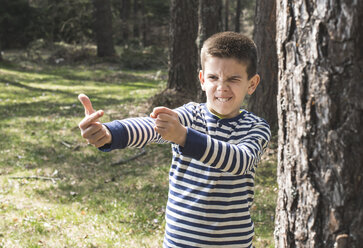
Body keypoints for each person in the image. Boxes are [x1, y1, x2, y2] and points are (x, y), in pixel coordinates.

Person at [78, 31, 271, 248]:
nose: (221, 87)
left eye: (233, 79)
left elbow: (240, 161)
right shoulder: (189, 115)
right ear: (202, 80)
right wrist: (109, 133)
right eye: (213, 77)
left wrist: (184, 137)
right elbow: (149, 127)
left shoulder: (256, 127)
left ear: (252, 84)